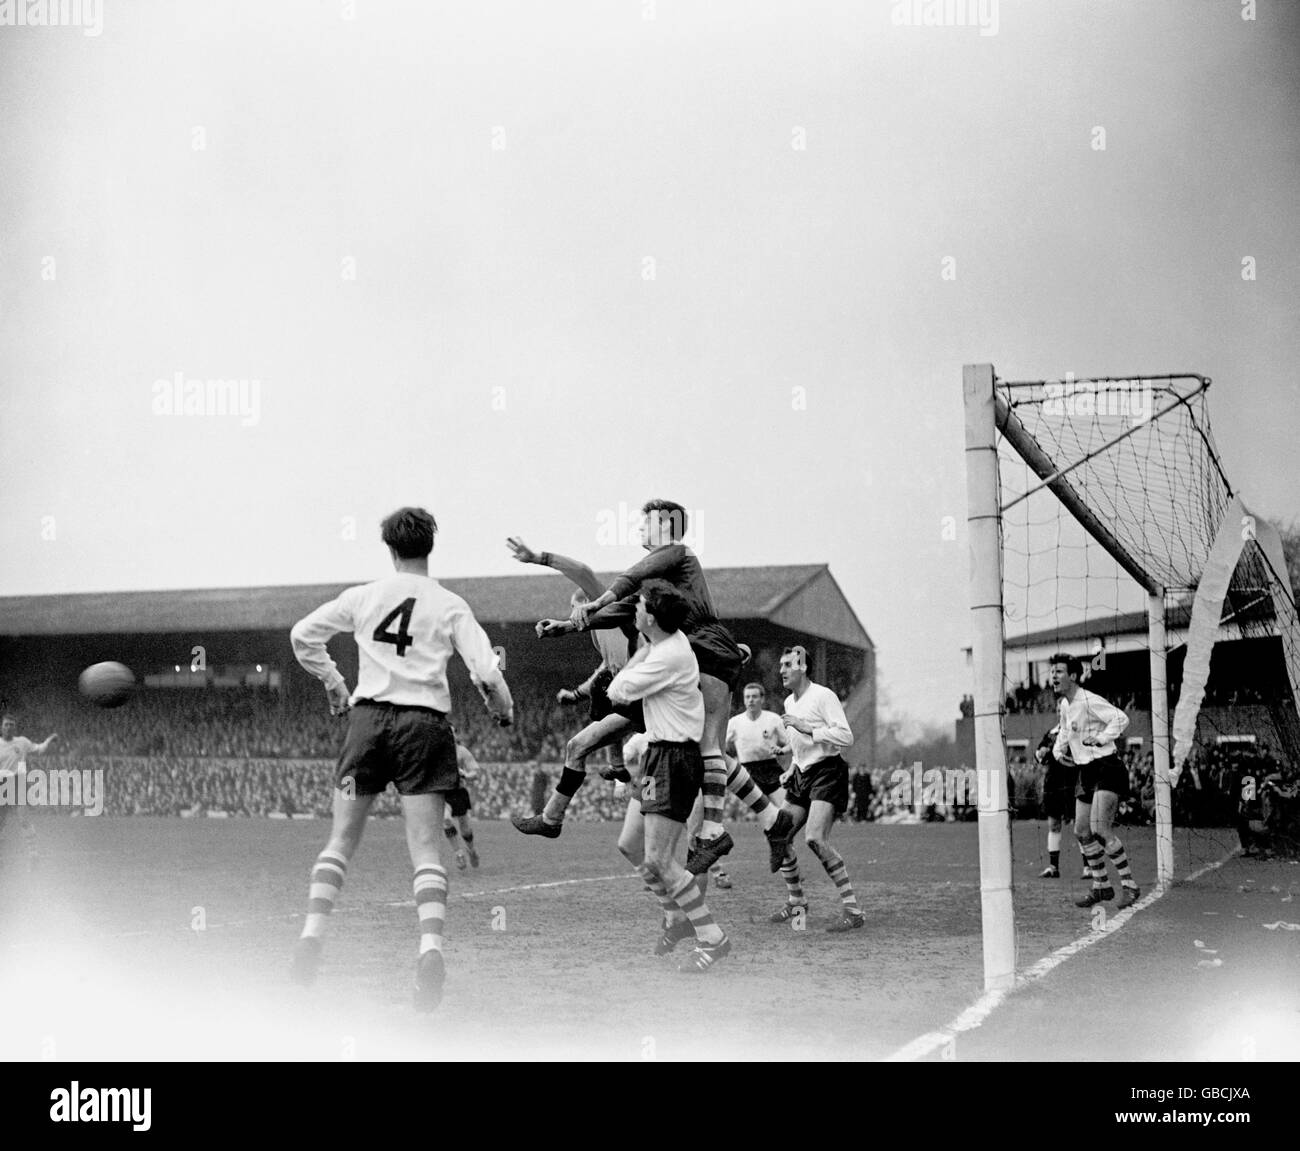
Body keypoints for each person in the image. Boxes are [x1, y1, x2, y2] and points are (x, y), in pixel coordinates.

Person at [287, 506, 513, 1011]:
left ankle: (311, 935)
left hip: (366, 723)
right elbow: (487, 673)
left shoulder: (364, 596)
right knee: (427, 849)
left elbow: (303, 635)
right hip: (424, 726)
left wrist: (335, 683)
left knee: (340, 840)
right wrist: (503, 711)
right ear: (430, 546)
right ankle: (430, 948)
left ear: (389, 549)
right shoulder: (451, 604)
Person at [533, 499, 795, 877]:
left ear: (666, 525)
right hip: (698, 648)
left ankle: (716, 832)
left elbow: (628, 582)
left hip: (705, 645)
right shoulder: (658, 587)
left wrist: (592, 606)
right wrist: (570, 625)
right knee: (713, 750)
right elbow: (627, 605)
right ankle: (770, 820)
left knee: (709, 749)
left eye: (645, 523)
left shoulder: (677, 554)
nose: (639, 529)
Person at [610, 580, 730, 972]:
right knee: (630, 845)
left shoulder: (666, 655)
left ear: (653, 618)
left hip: (673, 759)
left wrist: (638, 654)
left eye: (640, 605)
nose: (635, 609)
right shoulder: (664, 646)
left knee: (659, 859)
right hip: (658, 754)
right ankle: (675, 916)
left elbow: (617, 691)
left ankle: (712, 938)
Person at [768, 646, 864, 932]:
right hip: (802, 775)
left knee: (815, 839)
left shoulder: (823, 696)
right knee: (778, 834)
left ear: (803, 668)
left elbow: (846, 737)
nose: (781, 670)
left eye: (787, 665)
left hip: (827, 772)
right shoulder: (788, 703)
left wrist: (809, 728)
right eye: (781, 665)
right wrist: (790, 767)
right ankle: (798, 904)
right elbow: (799, 748)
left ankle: (853, 910)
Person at [1047, 654, 1139, 910]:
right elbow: (1065, 730)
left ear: (1073, 676)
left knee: (1101, 829)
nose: (1053, 676)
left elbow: (1121, 718)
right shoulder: (1066, 705)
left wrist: (1100, 738)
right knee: (1081, 831)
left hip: (1106, 768)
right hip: (1085, 772)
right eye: (1052, 672)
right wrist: (1057, 751)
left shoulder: (1088, 700)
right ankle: (1101, 886)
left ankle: (1130, 885)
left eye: (1059, 672)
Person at [0, 714, 57, 870]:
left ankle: (34, 855)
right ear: (1, 727)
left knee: (23, 818)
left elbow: (39, 749)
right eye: (6, 724)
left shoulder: (22, 742)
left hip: (18, 783)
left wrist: (49, 740)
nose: (9, 727)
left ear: (15, 727)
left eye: (11, 724)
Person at [1034, 723, 1084, 878]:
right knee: (1053, 824)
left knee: (1080, 825)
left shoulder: (1078, 729)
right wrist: (1040, 753)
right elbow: (1039, 755)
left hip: (1073, 781)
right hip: (1053, 784)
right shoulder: (1051, 733)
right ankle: (1053, 867)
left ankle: (1089, 867)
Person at [443, 742, 482, 870]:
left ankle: (471, 850)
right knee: (446, 820)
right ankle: (458, 853)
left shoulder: (462, 751)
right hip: (442, 792)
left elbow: (475, 772)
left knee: (464, 827)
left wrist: (464, 774)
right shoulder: (436, 750)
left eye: (452, 732)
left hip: (458, 792)